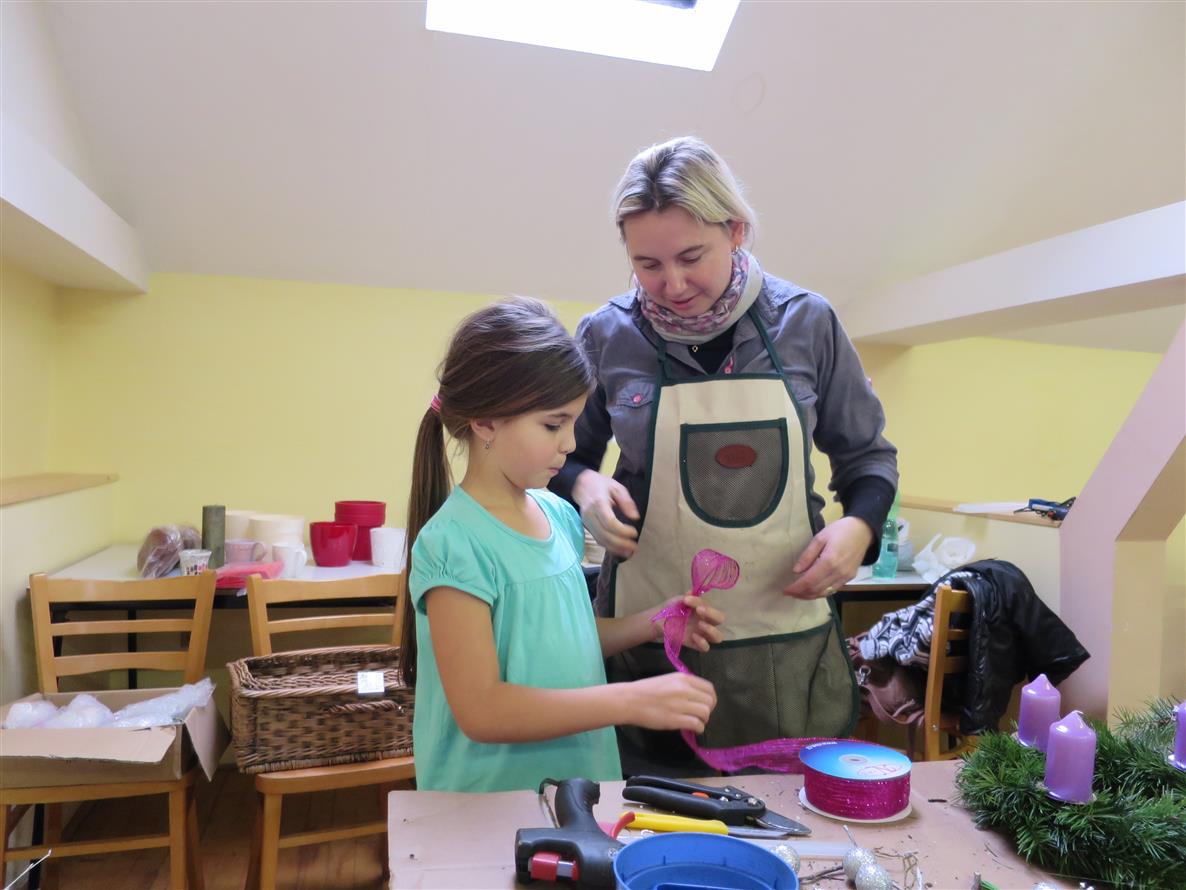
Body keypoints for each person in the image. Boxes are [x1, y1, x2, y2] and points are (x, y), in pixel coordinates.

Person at [550, 137, 899, 776]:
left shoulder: (806, 323)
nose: (673, 284)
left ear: (735, 230)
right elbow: (559, 457)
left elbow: (868, 459)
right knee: (652, 811)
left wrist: (859, 527)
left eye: (691, 257)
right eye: (647, 264)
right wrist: (582, 487)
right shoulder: (606, 335)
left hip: (783, 639)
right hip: (650, 633)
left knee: (788, 815)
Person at [399, 297, 725, 792]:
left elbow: (562, 640)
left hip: (577, 790)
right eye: (553, 425)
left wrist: (654, 623)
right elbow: (482, 710)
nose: (570, 444)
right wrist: (630, 700)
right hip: (489, 806)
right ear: (485, 422)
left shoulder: (556, 514)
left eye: (573, 422)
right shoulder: (453, 544)